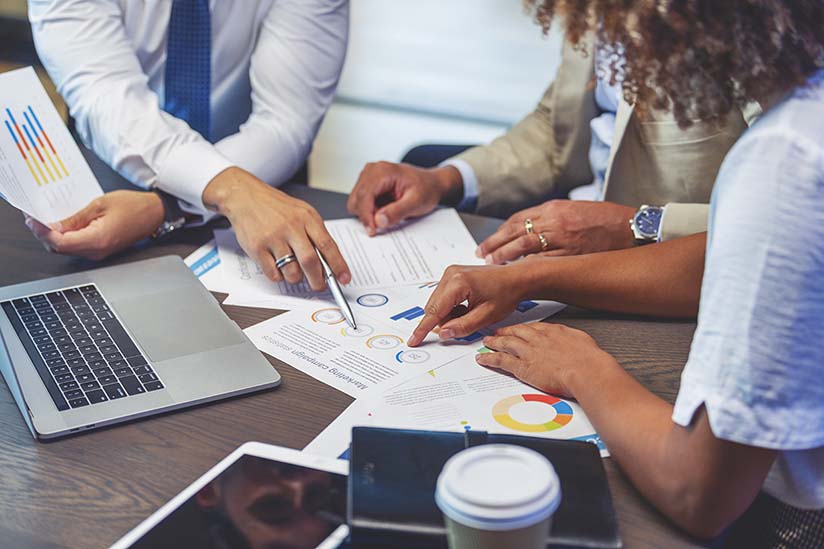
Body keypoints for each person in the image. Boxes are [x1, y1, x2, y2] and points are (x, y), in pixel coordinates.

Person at [408, 0, 824, 543]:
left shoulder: (784, 160)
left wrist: (582, 368)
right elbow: (720, 257)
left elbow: (698, 492)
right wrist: (533, 277)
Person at [24, 0, 351, 291]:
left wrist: (165, 209)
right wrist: (231, 189)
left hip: (261, 181)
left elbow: (285, 120)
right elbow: (108, 99)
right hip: (112, 188)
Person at [346, 30, 754, 262]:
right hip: (576, 245)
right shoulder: (594, 12)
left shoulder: (764, 26)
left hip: (675, 269)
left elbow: (801, 219)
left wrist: (632, 225)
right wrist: (445, 180)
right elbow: (556, 131)